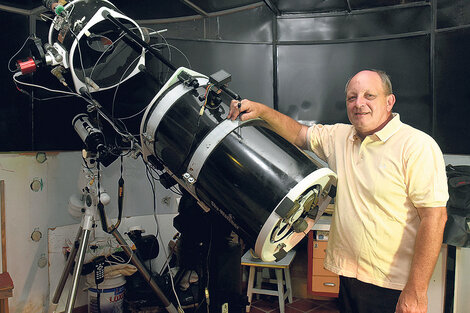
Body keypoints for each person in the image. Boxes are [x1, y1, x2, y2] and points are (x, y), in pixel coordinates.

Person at [227, 69, 448, 313]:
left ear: (389, 101)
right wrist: (261, 111)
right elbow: (300, 135)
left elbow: (435, 218)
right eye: (352, 97)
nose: (359, 103)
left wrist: (416, 291)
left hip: (391, 285)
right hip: (350, 278)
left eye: (369, 95)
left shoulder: (417, 146)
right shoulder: (340, 136)